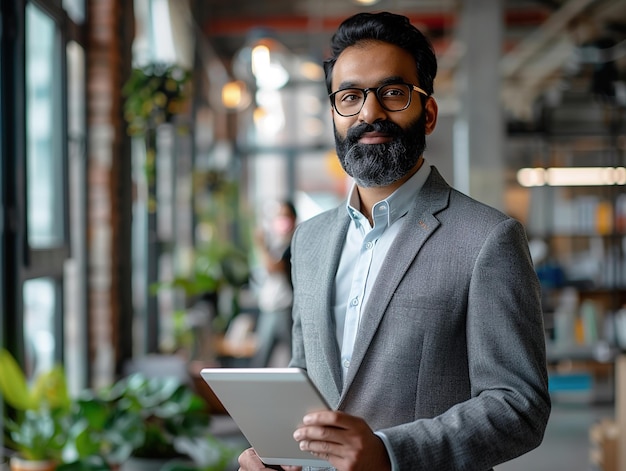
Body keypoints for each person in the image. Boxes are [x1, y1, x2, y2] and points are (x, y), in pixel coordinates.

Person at [239, 11, 550, 471]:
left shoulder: (488, 239)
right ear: (333, 114)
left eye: (392, 93)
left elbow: (519, 405)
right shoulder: (310, 240)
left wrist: (389, 452)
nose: (369, 113)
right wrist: (278, 448)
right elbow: (309, 374)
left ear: (427, 112)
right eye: (350, 97)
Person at [251, 200, 298, 367]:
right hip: (269, 308)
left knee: (295, 357)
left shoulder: (295, 243)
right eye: (278, 216)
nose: (281, 220)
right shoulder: (277, 244)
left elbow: (275, 267)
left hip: (285, 309)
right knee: (261, 357)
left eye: (285, 216)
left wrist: (261, 246)